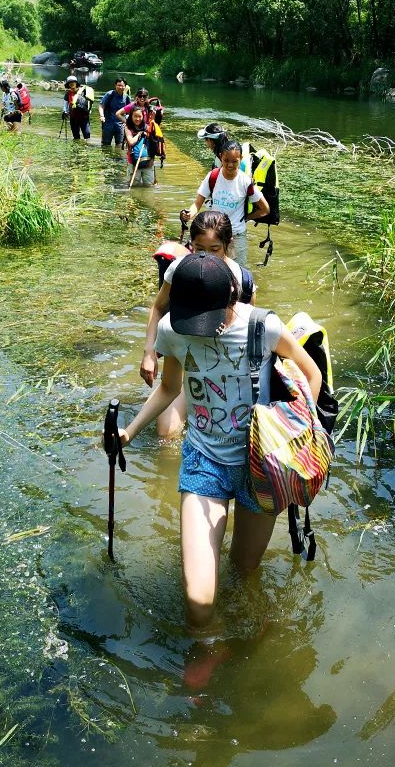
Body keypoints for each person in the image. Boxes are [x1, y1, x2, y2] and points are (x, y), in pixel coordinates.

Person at [116, 251, 322, 630]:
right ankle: (211, 646)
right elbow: (169, 389)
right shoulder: (174, 329)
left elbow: (310, 374)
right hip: (204, 461)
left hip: (260, 464)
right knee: (198, 601)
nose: (198, 328)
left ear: (231, 299)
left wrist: (297, 437)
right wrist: (128, 433)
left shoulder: (264, 326)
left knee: (244, 571)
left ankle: (244, 636)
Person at [141, 211, 256, 438]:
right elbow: (158, 308)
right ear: (191, 245)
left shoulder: (242, 280)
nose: (207, 257)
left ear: (227, 245)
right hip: (187, 357)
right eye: (199, 249)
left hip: (223, 366)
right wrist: (148, 352)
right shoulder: (180, 271)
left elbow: (251, 333)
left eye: (215, 249)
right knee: (166, 434)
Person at [183, 140, 269, 267]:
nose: (230, 165)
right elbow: (197, 204)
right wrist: (189, 214)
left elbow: (265, 209)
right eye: (226, 160)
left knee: (238, 273)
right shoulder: (212, 177)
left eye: (235, 161)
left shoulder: (245, 182)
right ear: (220, 157)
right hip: (214, 235)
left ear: (241, 159)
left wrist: (245, 218)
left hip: (237, 235)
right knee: (210, 269)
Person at [124, 106, 155, 185]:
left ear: (143, 117)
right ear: (131, 117)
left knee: (149, 185)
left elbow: (154, 145)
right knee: (134, 185)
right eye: (135, 116)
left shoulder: (148, 128)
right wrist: (139, 134)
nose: (138, 119)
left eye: (140, 116)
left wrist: (152, 160)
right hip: (133, 163)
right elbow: (131, 142)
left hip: (148, 162)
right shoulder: (128, 128)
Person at [99, 78, 129, 147]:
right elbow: (101, 105)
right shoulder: (110, 94)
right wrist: (102, 116)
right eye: (119, 85)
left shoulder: (126, 97)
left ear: (125, 86)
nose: (120, 87)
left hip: (120, 125)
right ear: (115, 85)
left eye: (122, 86)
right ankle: (106, 157)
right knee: (105, 145)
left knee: (120, 145)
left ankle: (118, 157)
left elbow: (129, 111)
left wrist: (127, 122)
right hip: (108, 123)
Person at [63, 74, 92, 140]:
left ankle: (86, 148)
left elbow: (90, 101)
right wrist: (65, 111)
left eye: (73, 82)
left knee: (87, 135)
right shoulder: (68, 93)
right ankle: (76, 148)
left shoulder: (83, 92)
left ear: (76, 83)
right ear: (68, 85)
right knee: (76, 136)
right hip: (73, 117)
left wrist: (89, 110)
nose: (71, 84)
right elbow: (65, 104)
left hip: (84, 117)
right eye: (69, 83)